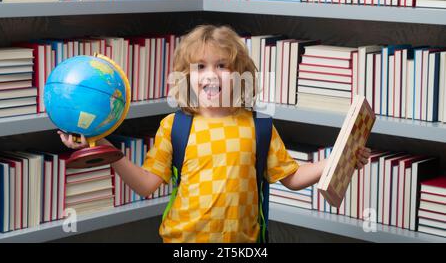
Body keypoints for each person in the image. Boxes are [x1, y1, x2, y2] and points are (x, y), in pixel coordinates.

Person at [58, 25, 371, 243]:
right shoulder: (175, 126)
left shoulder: (259, 127)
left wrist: (338, 160)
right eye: (200, 67)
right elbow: (146, 185)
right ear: (186, 77)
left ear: (240, 75)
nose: (210, 76)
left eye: (222, 65)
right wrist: (109, 151)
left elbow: (291, 177)